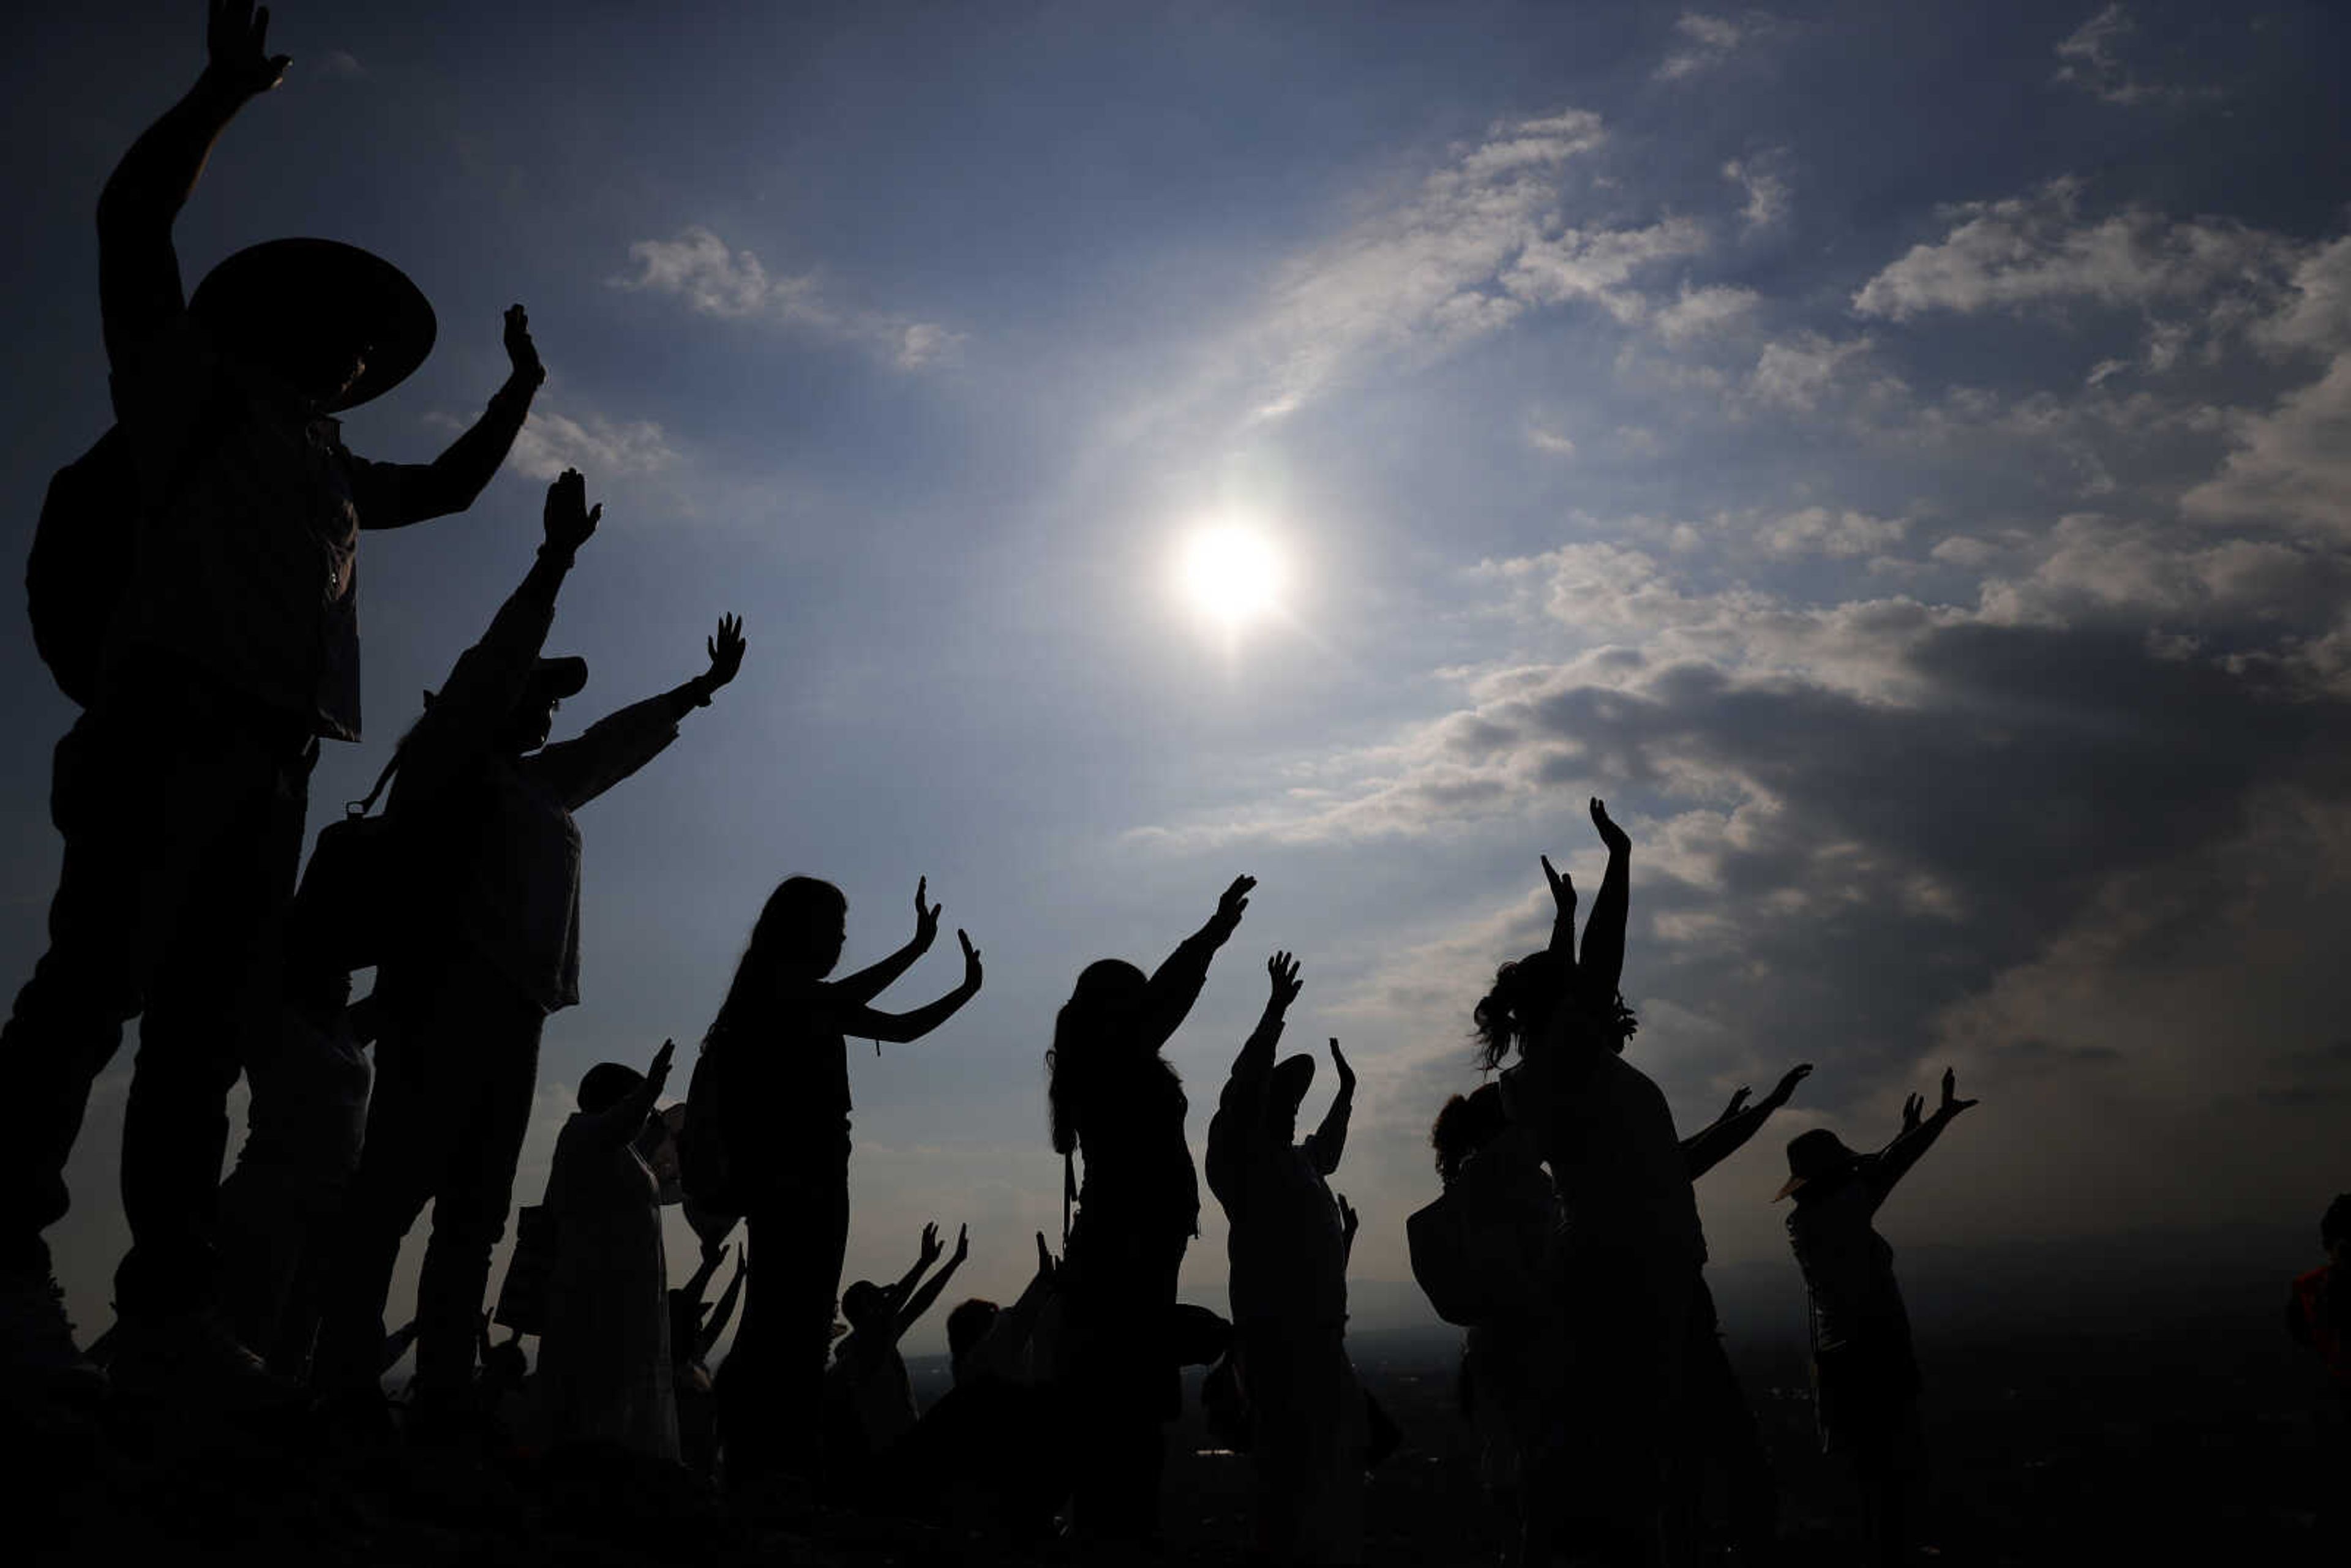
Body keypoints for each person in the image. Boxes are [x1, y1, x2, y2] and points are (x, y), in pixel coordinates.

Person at [0, 0, 546, 1401]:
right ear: (282, 324)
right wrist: (218, 96)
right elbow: (129, 222)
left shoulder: (326, 468)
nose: (364, 354)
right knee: (91, 991)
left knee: (194, 1033)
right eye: (348, 329)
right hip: (167, 723)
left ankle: (171, 1304)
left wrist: (519, 394)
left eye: (376, 342)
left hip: (277, 760)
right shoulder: (191, 392)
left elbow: (452, 488)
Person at [313, 470, 748, 1419]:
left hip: (514, 1012)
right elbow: (499, 658)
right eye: (536, 694)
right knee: (394, 1193)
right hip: (445, 995)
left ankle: (440, 1393)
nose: (548, 709)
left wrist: (700, 690)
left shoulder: (542, 785)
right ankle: (341, 1375)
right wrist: (554, 559)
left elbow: (616, 741)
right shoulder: (450, 762)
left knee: (474, 1208)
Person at [702, 876, 982, 1483]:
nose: (842, 941)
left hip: (814, 1177)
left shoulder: (790, 997)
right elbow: (851, 1002)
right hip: (798, 1180)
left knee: (794, 1317)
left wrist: (962, 987)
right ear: (802, 931)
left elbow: (901, 1028)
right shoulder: (781, 995)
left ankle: (770, 1458)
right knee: (792, 1323)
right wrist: (917, 950)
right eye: (835, 929)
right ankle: (772, 1463)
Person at [1489, 799, 1701, 1567]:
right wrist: (1620, 861)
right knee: (1623, 1467)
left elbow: (1569, 986)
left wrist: (1565, 914)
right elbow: (1597, 971)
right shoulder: (1561, 1066)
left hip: (1625, 1269)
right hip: (1623, 1272)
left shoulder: (1552, 1068)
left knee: (1620, 1460)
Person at [1046, 875, 1256, 1544]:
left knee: (1127, 1437)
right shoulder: (1114, 1063)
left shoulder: (1108, 1063)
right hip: (1124, 1256)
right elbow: (1169, 994)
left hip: (1127, 1254)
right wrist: (1211, 935)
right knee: (1126, 1434)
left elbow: (1163, 999)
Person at [1779, 1068, 1978, 1568]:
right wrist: (1937, 1119)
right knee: (1895, 1469)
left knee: (1871, 1477)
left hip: (1844, 1357)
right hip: (1872, 1352)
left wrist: (1907, 1132)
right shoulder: (1839, 1211)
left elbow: (1877, 1168)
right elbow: (1888, 1168)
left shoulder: (1806, 1219)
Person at [1206, 953, 1367, 1566]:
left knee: (1329, 1485)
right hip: (1280, 1346)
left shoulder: (1295, 1163)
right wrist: (1274, 1011)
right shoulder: (1241, 1166)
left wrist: (1347, 1094)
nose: (1293, 1107)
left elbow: (1326, 1149)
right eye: (1285, 1099)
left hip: (1323, 1343)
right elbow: (1242, 1083)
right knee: (1291, 1488)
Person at [1672, 1063, 1811, 1566]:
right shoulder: (1633, 1169)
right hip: (1679, 1324)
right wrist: (1768, 1104)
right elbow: (1698, 1153)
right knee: (1733, 1454)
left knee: (1689, 1459)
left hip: (1659, 1325)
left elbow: (1692, 1150)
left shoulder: (1597, 1173)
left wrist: (1730, 1115)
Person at [1428, 1084, 1562, 1567]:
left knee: (1511, 1468)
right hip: (1523, 1343)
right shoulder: (1510, 1179)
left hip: (1494, 1345)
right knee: (1539, 1474)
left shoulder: (1475, 1180)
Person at [534, 1041, 680, 1460]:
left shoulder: (619, 1148)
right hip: (597, 1290)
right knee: (596, 1389)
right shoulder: (582, 1132)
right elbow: (620, 1125)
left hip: (626, 1294)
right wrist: (652, 1086)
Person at [825, 1222, 969, 1472]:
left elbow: (917, 1304)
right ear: (869, 1309)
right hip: (890, 1460)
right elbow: (900, 1306)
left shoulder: (874, 1343)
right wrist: (925, 1264)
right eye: (878, 1300)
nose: (885, 1303)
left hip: (897, 1454)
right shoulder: (861, 1350)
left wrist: (953, 1263)